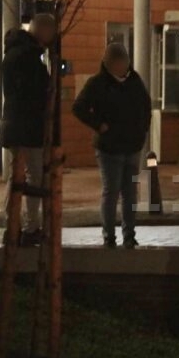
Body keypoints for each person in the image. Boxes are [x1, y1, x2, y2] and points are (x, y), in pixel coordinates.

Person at [72, 43, 152, 248]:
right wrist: (99, 125)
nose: (123, 67)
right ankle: (109, 236)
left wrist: (142, 130)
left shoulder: (134, 81)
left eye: (125, 62)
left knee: (130, 192)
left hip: (132, 145)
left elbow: (146, 106)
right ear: (109, 64)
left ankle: (129, 235)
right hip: (109, 147)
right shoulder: (98, 83)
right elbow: (79, 107)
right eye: (119, 63)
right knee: (112, 191)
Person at [1, 14, 57, 246]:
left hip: (15, 125)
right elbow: (32, 94)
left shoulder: (15, 52)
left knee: (17, 176)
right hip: (27, 126)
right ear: (43, 31)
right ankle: (28, 226)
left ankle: (13, 223)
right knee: (34, 177)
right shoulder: (28, 57)